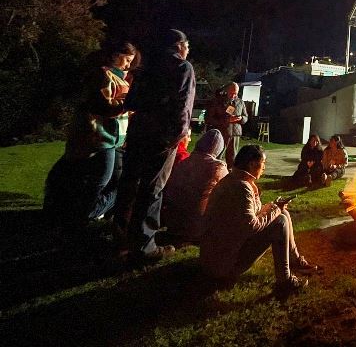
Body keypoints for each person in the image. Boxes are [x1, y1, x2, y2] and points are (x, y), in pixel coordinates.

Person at [113, 29, 196, 263]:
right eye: (187, 46)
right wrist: (177, 136)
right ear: (180, 46)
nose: (188, 51)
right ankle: (144, 245)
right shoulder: (182, 68)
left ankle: (120, 237)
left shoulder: (146, 68)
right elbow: (184, 106)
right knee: (153, 187)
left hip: (139, 130)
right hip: (162, 136)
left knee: (129, 182)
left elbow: (131, 101)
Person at [43, 40, 137, 227]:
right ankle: (85, 213)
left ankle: (93, 212)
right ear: (115, 56)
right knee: (101, 180)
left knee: (109, 179)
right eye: (127, 60)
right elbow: (103, 105)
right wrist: (128, 103)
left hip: (114, 138)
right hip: (102, 137)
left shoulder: (119, 77)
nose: (128, 65)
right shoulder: (104, 75)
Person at [200, 144, 316, 294]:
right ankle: (285, 281)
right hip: (223, 263)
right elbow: (251, 226)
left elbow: (246, 217)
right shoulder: (240, 187)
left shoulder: (235, 180)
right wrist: (274, 209)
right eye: (263, 163)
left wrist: (273, 207)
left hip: (221, 253)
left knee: (283, 214)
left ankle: (295, 260)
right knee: (280, 222)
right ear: (252, 164)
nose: (264, 167)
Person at [161, 129, 228, 243]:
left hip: (172, 221)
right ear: (219, 149)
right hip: (196, 226)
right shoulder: (217, 167)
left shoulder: (185, 161)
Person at [206, 82, 249, 169]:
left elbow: (246, 117)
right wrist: (227, 120)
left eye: (236, 93)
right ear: (227, 91)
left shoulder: (240, 102)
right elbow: (209, 118)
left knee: (233, 157)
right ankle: (215, 172)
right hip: (222, 132)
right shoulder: (218, 102)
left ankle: (230, 175)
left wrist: (241, 119)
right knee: (218, 155)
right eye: (232, 93)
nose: (234, 95)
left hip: (235, 134)